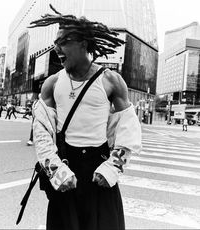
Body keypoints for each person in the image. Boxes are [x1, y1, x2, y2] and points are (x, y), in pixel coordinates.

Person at [31, 5, 142, 230]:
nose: (57, 48)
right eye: (55, 43)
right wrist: (56, 170)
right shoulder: (52, 84)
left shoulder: (111, 80)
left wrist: (112, 168)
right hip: (65, 169)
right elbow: (41, 135)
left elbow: (128, 132)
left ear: (82, 43)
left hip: (99, 171)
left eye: (63, 42)